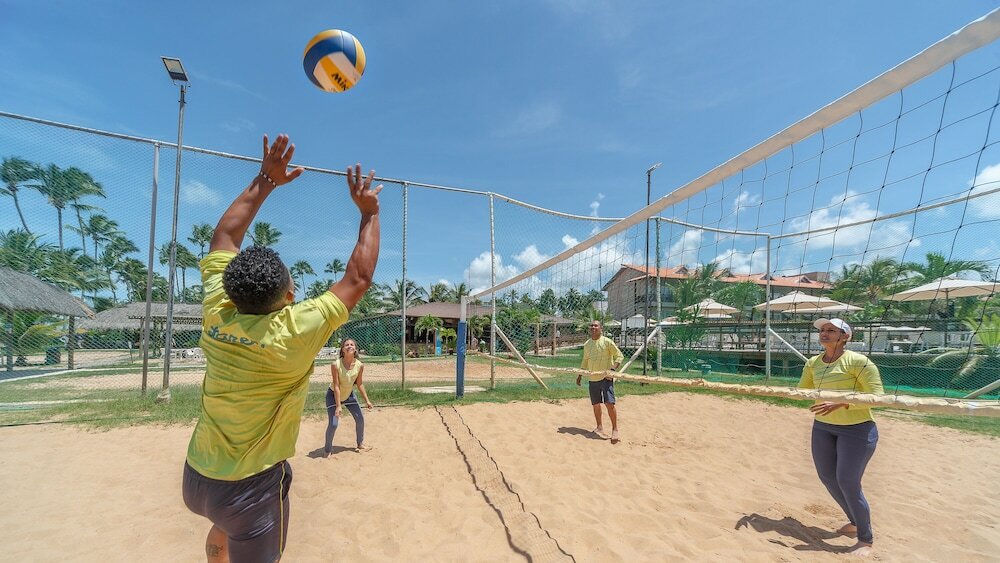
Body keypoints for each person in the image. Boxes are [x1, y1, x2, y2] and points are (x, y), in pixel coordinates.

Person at [181, 133, 382, 563]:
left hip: (197, 476)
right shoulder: (292, 332)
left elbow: (224, 237)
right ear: (289, 297)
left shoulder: (219, 308)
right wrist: (369, 212)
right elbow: (359, 277)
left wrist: (265, 180)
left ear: (231, 289)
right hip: (248, 488)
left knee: (222, 529)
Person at [798, 318, 883, 557]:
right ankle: (855, 521)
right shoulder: (813, 363)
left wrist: (841, 402)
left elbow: (877, 396)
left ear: (845, 336)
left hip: (857, 429)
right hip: (823, 427)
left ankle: (865, 539)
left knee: (847, 481)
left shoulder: (859, 361)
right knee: (827, 477)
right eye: (822, 330)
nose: (824, 333)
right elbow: (803, 391)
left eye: (831, 330)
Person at [577, 320, 624, 443]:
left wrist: (612, 370)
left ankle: (615, 429)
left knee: (609, 403)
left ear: (600, 328)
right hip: (593, 378)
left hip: (606, 378)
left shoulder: (607, 342)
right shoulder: (587, 344)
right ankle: (599, 427)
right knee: (596, 404)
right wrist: (580, 375)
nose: (593, 327)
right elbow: (585, 360)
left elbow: (619, 356)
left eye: (596, 325)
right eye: (591, 325)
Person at [325, 338, 374, 454]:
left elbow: (359, 384)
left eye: (352, 344)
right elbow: (336, 386)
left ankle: (360, 444)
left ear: (355, 349)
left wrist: (367, 401)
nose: (349, 346)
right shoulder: (336, 364)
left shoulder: (360, 365)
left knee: (360, 419)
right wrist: (338, 406)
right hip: (333, 396)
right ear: (342, 349)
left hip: (349, 395)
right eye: (346, 345)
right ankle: (327, 450)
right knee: (333, 424)